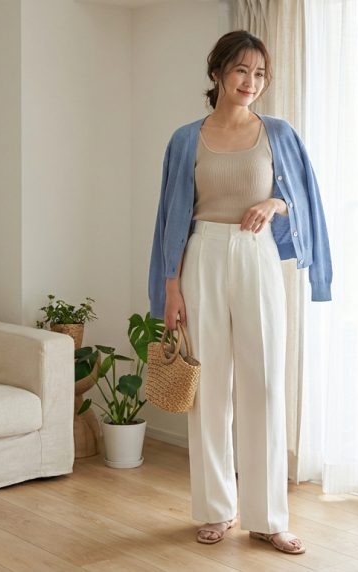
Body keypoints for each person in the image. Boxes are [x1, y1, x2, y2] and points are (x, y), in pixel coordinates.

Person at [147, 30, 332, 556]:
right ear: (218, 73)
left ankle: (270, 518)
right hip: (201, 254)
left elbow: (302, 199)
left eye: (260, 74)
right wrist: (170, 288)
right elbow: (170, 219)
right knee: (209, 391)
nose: (251, 83)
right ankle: (214, 510)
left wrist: (273, 205)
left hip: (256, 256)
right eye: (241, 71)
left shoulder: (278, 133)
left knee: (265, 384)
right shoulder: (187, 138)